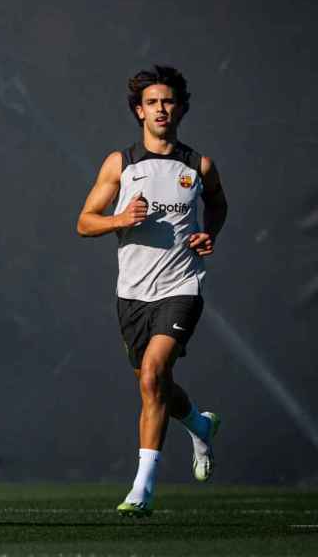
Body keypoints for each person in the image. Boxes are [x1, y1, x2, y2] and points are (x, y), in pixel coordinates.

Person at [76, 66, 228, 517]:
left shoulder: (197, 165)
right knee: (156, 383)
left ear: (180, 108)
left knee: (151, 376)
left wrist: (209, 233)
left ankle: (142, 489)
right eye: (153, 102)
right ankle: (199, 423)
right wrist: (119, 220)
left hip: (182, 285)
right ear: (139, 110)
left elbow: (217, 203)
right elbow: (84, 221)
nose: (161, 109)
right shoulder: (120, 163)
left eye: (169, 101)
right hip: (132, 294)